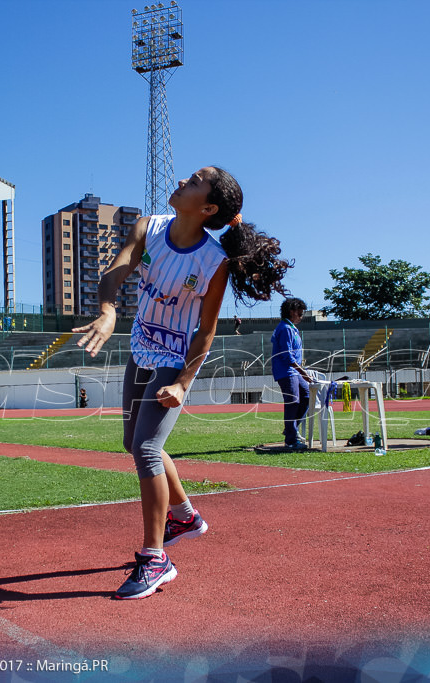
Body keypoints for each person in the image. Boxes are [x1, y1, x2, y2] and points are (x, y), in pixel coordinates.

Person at [72, 166, 291, 600]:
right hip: (141, 348)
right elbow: (116, 272)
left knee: (147, 450)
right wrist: (110, 309)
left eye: (193, 182)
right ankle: (185, 517)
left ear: (207, 207)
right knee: (132, 444)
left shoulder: (214, 262)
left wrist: (184, 383)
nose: (180, 183)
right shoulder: (150, 226)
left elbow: (206, 330)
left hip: (174, 359)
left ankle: (156, 559)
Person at [271, 297, 313, 449]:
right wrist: (303, 372)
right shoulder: (285, 329)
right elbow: (287, 355)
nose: (301, 317)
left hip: (293, 370)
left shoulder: (290, 328)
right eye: (300, 314)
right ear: (291, 312)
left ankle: (291, 429)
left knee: (306, 396)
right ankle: (291, 440)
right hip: (287, 371)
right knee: (293, 402)